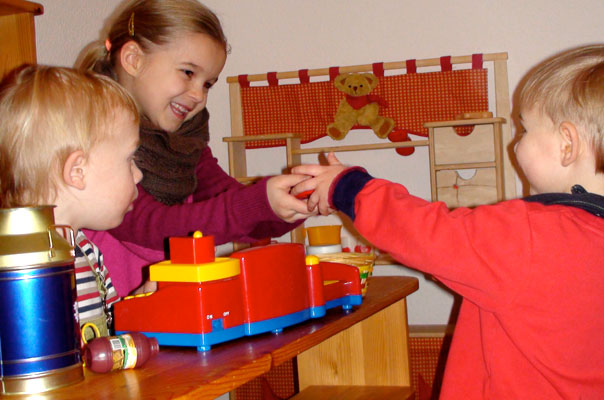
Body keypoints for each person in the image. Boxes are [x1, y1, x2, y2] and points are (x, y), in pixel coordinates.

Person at [291, 45, 604, 399]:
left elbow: (428, 234)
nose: (515, 145)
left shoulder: (533, 235)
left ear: (567, 145)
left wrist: (347, 187)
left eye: (525, 130)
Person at [77, 0, 314, 296]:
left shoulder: (187, 140)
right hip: (110, 322)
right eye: (189, 73)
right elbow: (154, 227)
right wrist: (258, 203)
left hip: (166, 313)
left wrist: (288, 203)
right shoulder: (92, 136)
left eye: (208, 84)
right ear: (133, 59)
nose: (198, 96)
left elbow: (226, 198)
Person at [0, 65, 142, 340]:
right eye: (129, 159)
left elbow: (109, 331)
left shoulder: (85, 249)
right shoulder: (15, 262)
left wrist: (142, 305)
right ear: (77, 171)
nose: (138, 175)